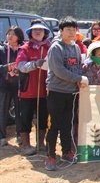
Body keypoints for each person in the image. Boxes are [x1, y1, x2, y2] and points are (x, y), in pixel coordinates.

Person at [44, 17, 89, 171]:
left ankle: (66, 152)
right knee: (53, 124)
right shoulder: (56, 48)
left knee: (67, 124)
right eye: (68, 30)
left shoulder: (75, 47)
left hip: (71, 93)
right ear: (61, 31)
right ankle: (50, 156)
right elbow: (59, 71)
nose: (71, 33)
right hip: (56, 91)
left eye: (73, 30)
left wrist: (79, 79)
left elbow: (76, 67)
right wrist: (78, 78)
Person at [16, 21, 50, 156]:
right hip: (28, 90)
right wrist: (35, 64)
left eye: (41, 30)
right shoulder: (25, 48)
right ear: (30, 33)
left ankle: (40, 143)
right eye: (35, 30)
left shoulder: (50, 47)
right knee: (26, 117)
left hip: (44, 89)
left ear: (45, 33)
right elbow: (21, 66)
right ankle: (25, 145)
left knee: (43, 117)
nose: (38, 32)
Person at [0, 26, 24, 147]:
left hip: (19, 84)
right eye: (8, 34)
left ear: (19, 36)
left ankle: (20, 135)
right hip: (4, 85)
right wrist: (6, 67)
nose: (10, 36)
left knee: (20, 111)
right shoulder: (1, 50)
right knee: (3, 111)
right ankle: (2, 137)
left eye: (13, 34)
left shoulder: (23, 49)